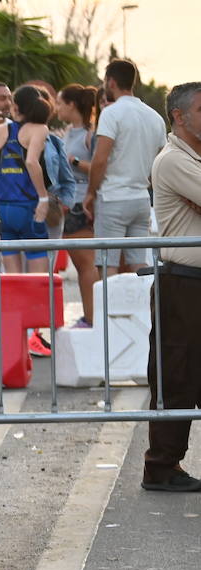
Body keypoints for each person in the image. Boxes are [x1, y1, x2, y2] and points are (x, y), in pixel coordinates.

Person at [141, 81, 201, 493]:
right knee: (175, 376)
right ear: (179, 117)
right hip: (183, 286)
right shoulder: (174, 161)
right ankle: (162, 467)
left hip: (191, 284)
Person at [85, 59, 168, 275]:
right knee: (138, 263)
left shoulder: (111, 114)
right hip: (141, 198)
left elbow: (100, 159)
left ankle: (109, 309)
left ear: (111, 82)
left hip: (113, 197)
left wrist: (91, 193)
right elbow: (162, 160)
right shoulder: (155, 117)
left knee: (107, 263)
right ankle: (141, 307)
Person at [0, 85, 52, 274]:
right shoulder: (39, 129)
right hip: (29, 206)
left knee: (13, 279)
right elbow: (32, 162)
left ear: (15, 107)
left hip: (2, 210)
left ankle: (14, 305)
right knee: (38, 281)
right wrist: (43, 197)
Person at [58, 83, 100, 325]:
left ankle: (93, 318)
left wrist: (72, 162)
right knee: (81, 263)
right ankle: (90, 315)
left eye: (60, 103)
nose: (57, 108)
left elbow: (99, 167)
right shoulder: (68, 132)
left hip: (81, 203)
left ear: (71, 105)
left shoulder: (90, 134)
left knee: (87, 264)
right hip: (68, 203)